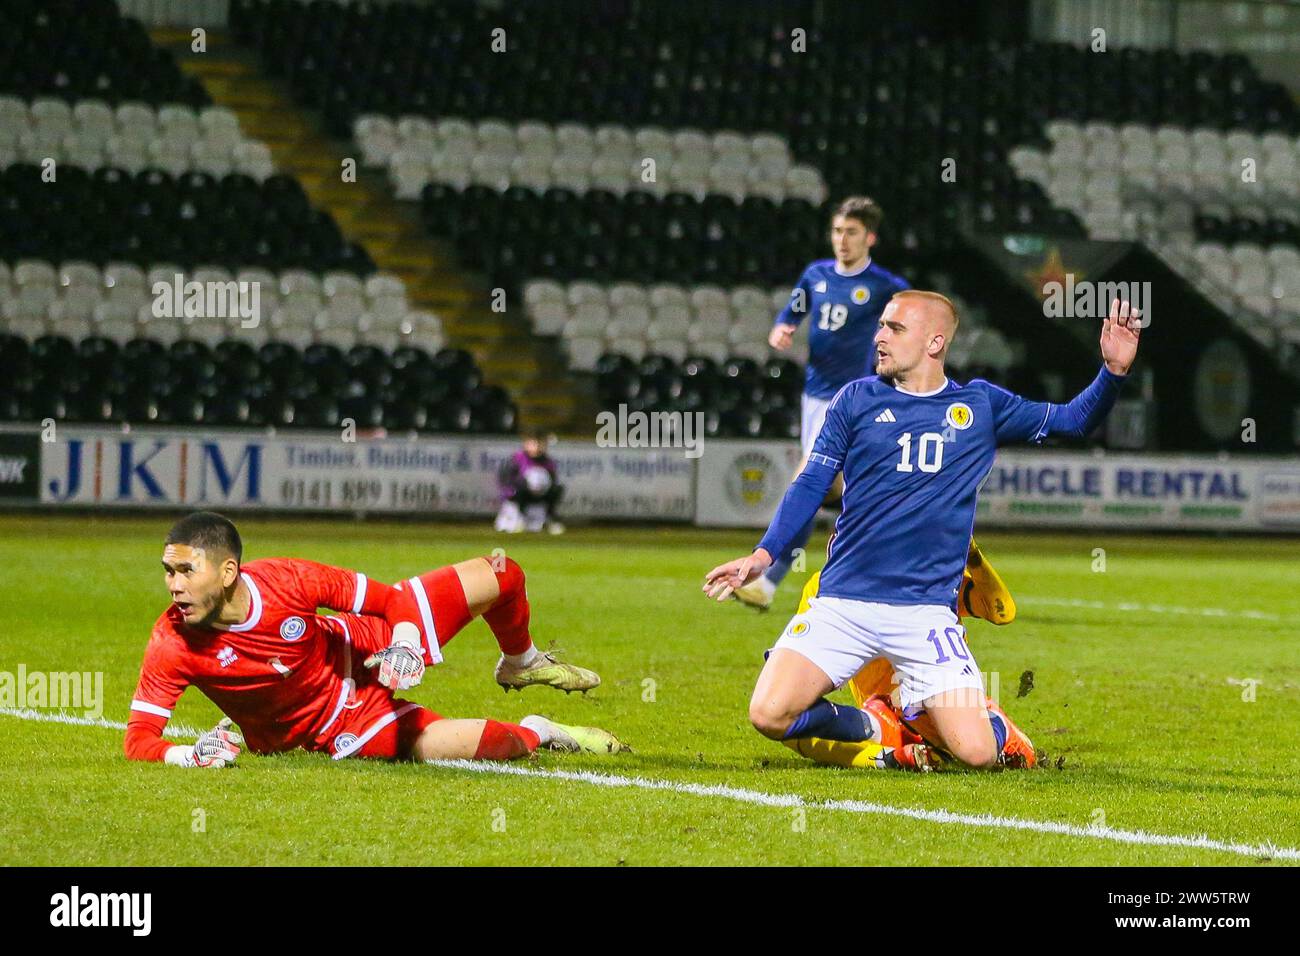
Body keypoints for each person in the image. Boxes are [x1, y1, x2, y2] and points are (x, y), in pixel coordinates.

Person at [705, 292, 1142, 770]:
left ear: (934, 342)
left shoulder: (979, 405)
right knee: (768, 713)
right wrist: (763, 556)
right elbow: (811, 482)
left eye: (894, 328)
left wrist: (1112, 373)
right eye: (881, 327)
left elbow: (1073, 422)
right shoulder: (855, 399)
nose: (879, 336)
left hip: (925, 614)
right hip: (842, 602)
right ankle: (879, 728)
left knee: (977, 754)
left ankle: (993, 726)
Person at [125, 511, 622, 768]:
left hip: (367, 642)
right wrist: (187, 755)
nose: (174, 584)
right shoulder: (172, 642)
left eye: (186, 570)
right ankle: (544, 730)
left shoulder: (289, 578)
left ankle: (522, 661)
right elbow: (138, 741)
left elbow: (389, 600)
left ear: (229, 570)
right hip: (340, 726)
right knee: (505, 744)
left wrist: (404, 640)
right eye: (168, 571)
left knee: (503, 572)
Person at [735, 197, 1013, 626]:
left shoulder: (885, 285)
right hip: (815, 397)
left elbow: (920, 315)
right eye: (836, 232)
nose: (841, 241)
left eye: (850, 233)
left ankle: (770, 579)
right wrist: (783, 326)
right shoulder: (816, 275)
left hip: (860, 397)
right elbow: (792, 309)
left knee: (813, 481)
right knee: (837, 486)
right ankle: (936, 562)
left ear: (870, 238)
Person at [495, 432, 565, 534]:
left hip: (538, 495)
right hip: (520, 495)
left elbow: (552, 480)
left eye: (540, 444)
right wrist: (514, 489)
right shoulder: (517, 459)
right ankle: (519, 518)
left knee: (557, 489)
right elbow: (506, 480)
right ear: (526, 444)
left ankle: (550, 518)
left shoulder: (548, 462)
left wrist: (542, 488)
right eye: (533, 443)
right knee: (518, 490)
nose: (537, 447)